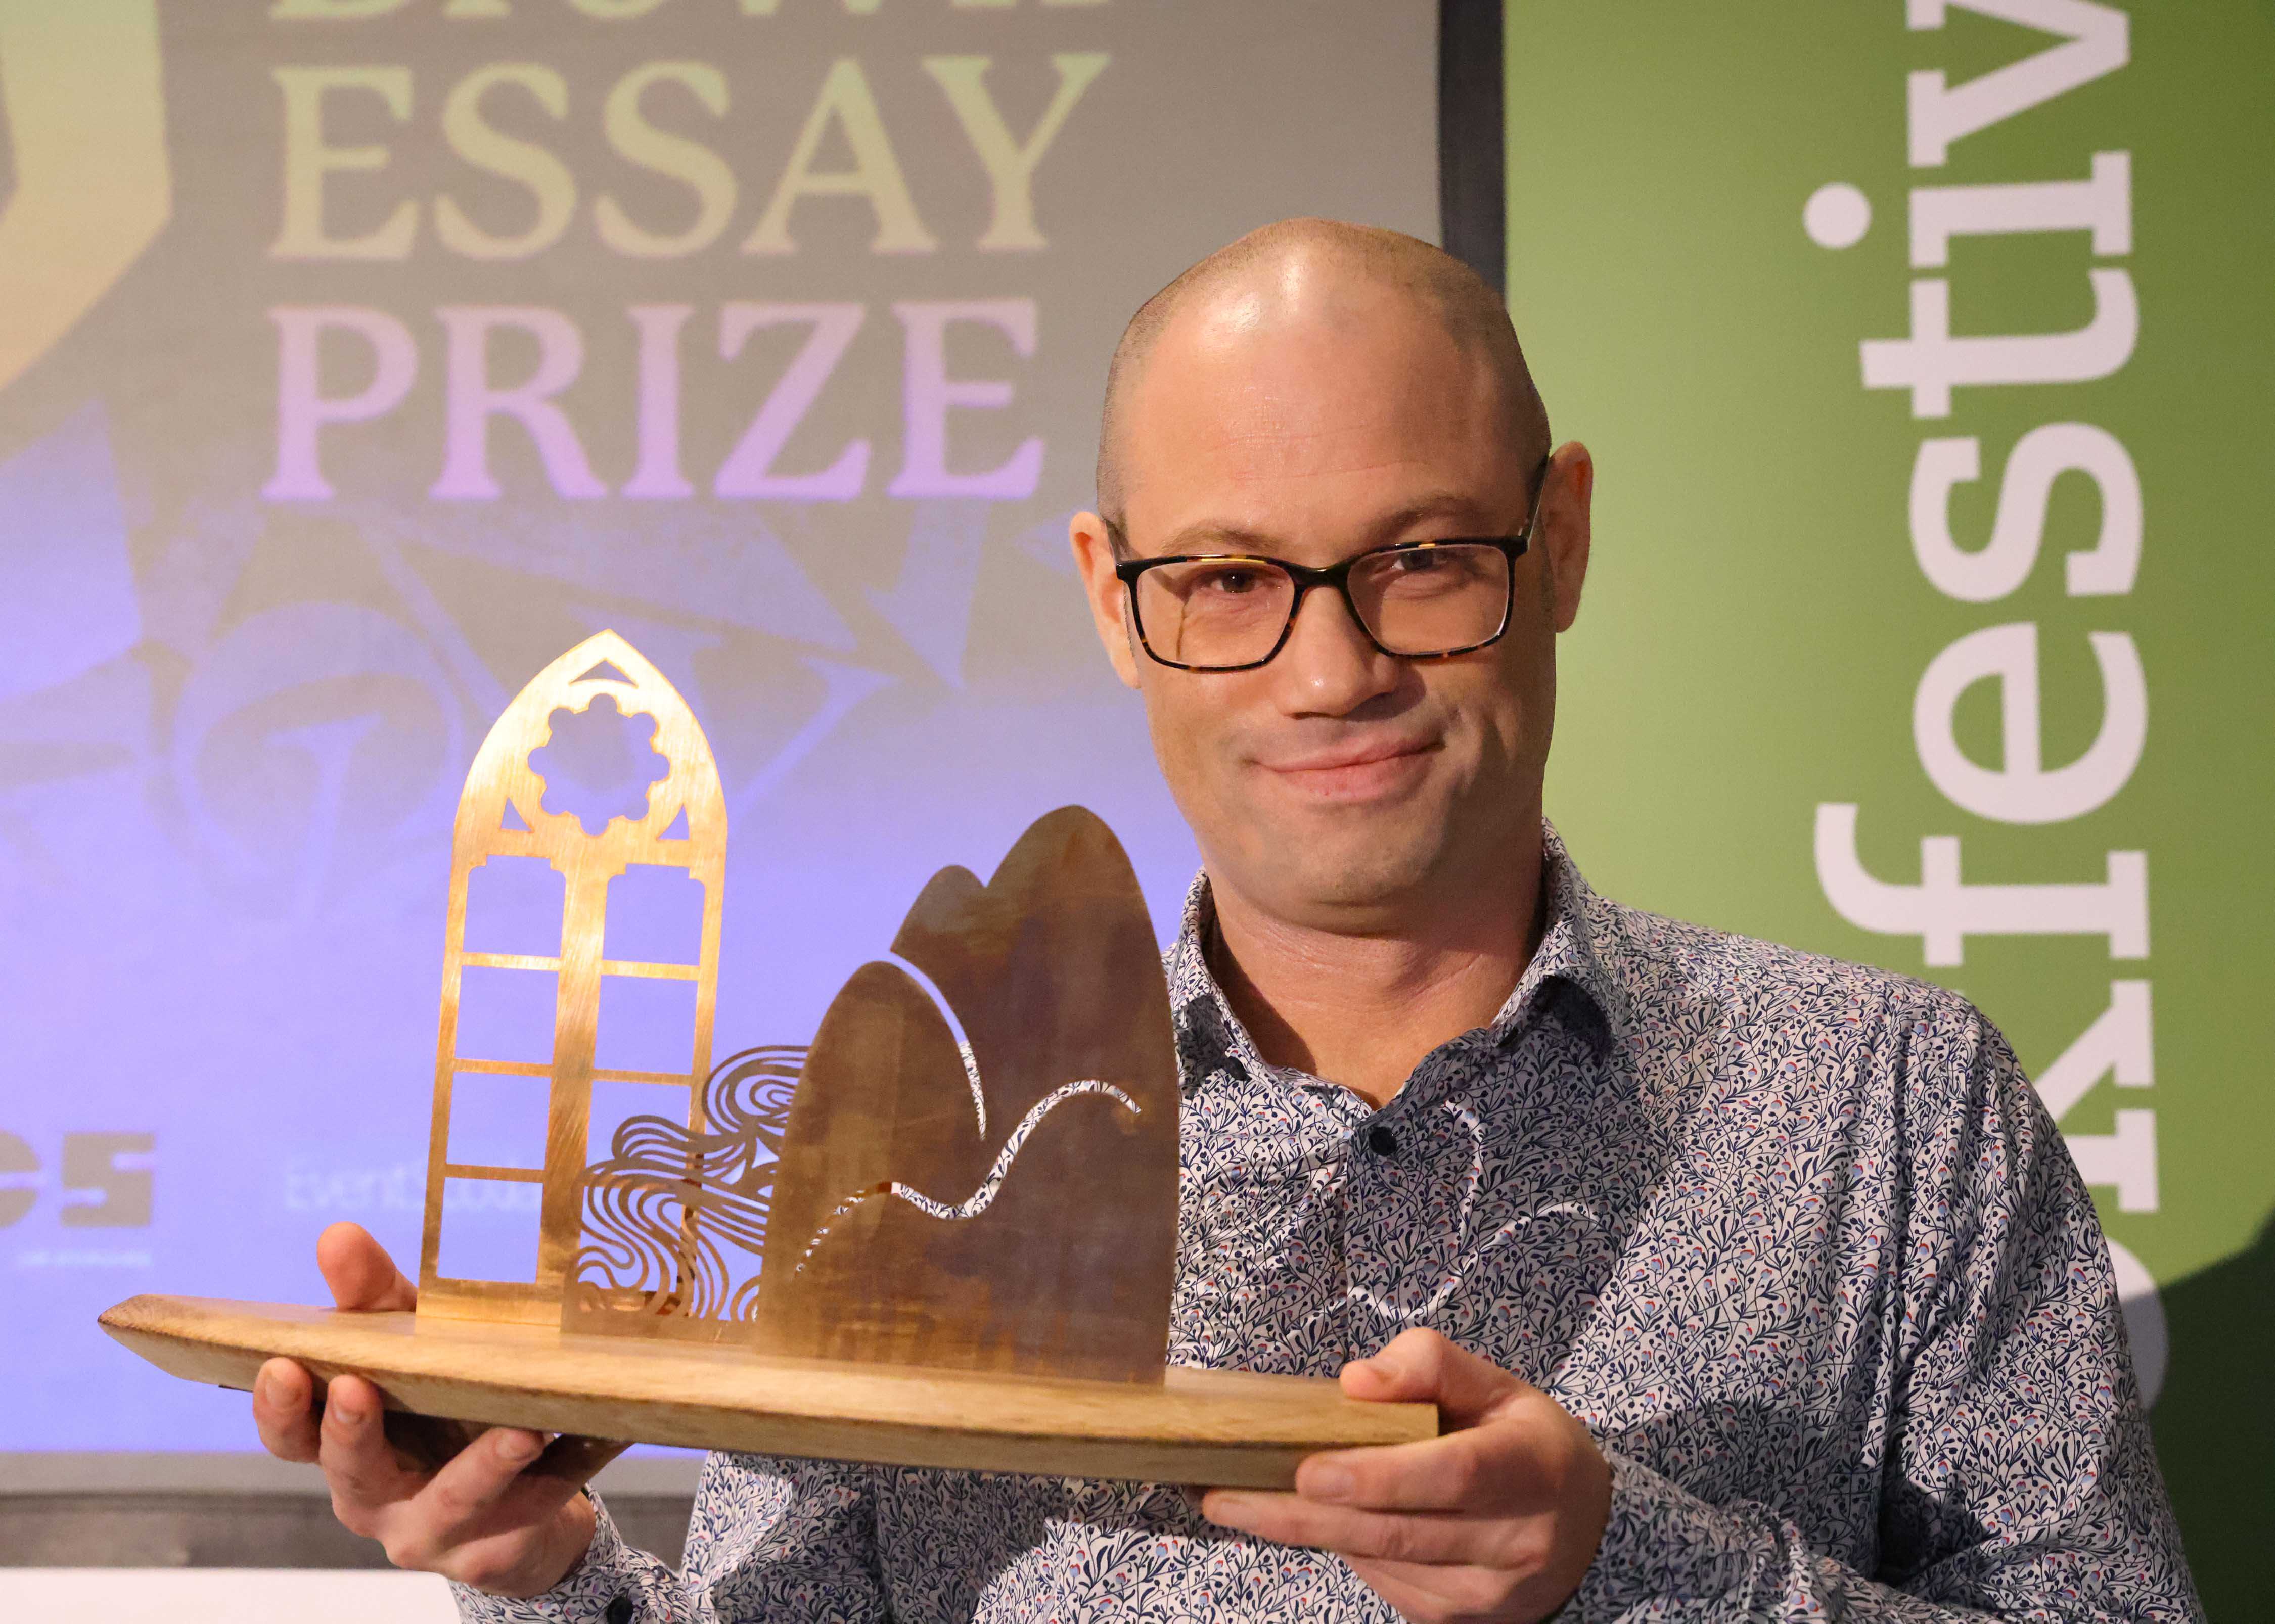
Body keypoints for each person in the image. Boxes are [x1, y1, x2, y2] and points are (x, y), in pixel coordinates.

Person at [251, 219, 2201, 1622]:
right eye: (1227, 579)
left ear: (1566, 537)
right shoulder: (911, 1116)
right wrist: (543, 1573)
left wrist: (1633, 1572)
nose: (1329, 668)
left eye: (1421, 557)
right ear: (1112, 596)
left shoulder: (1886, 1102)